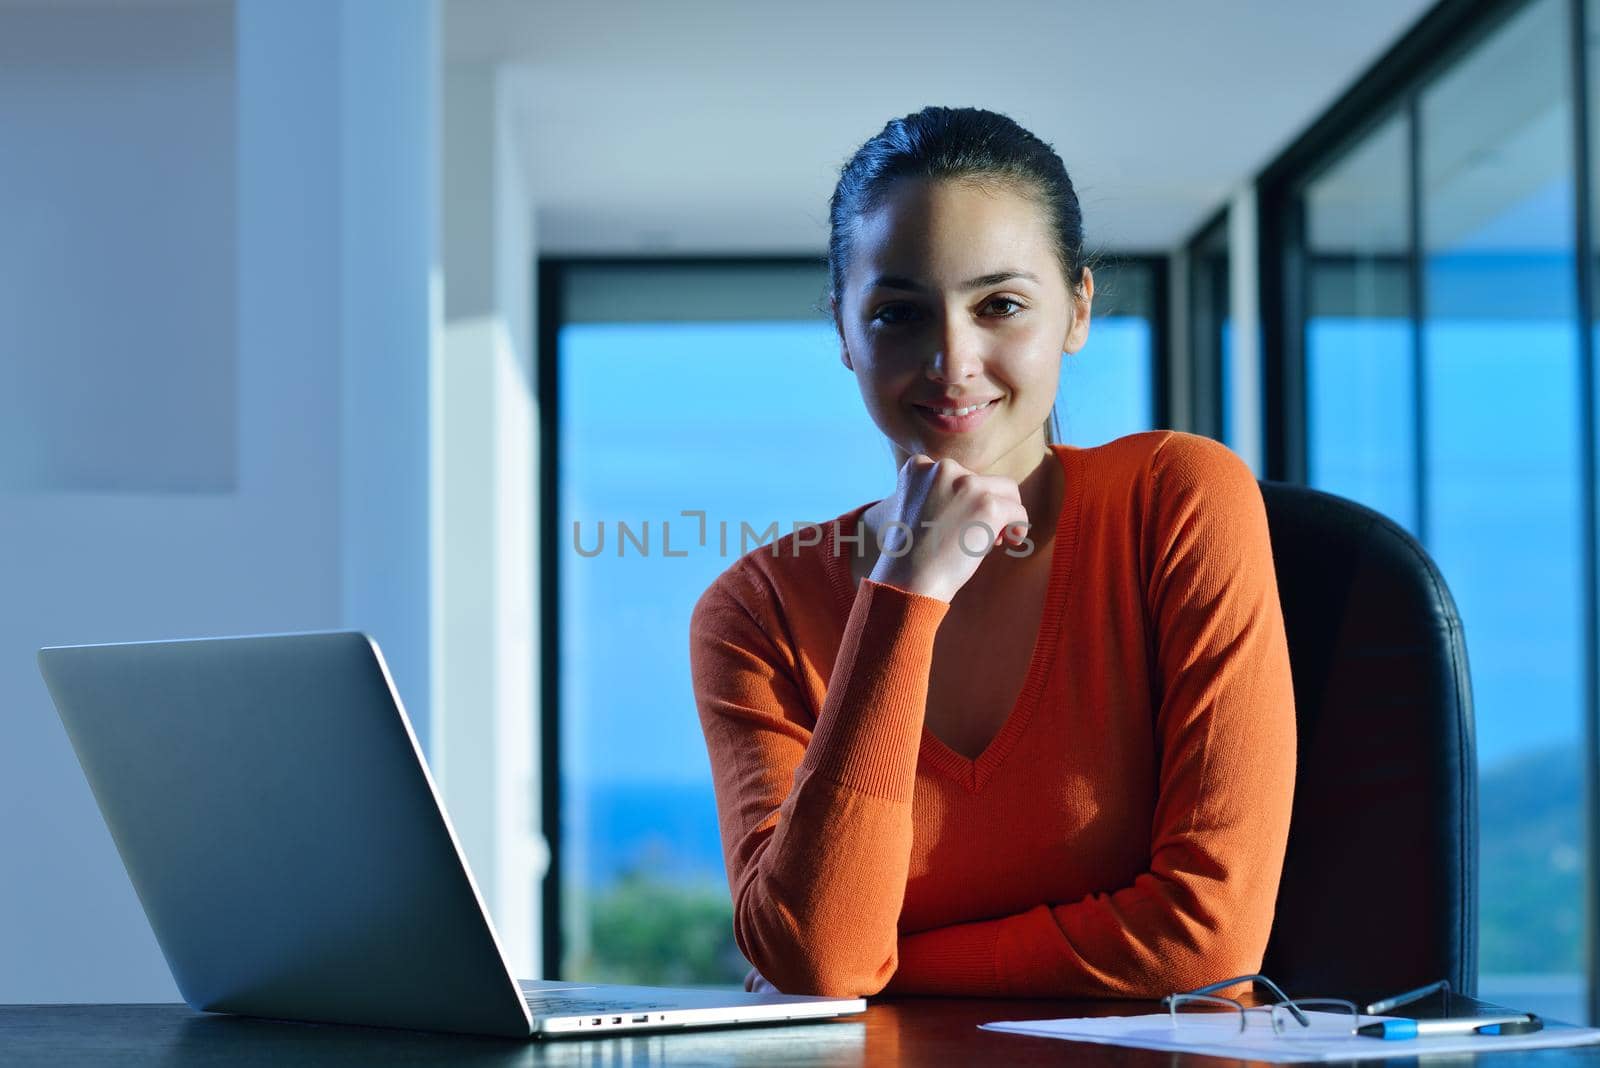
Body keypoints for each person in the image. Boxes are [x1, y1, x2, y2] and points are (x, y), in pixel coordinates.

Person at [687, 105, 1296, 1000]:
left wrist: (894, 972)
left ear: (1077, 311)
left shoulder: (1179, 499)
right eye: (898, 313)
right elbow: (820, 954)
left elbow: (1207, 943)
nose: (952, 360)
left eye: (1000, 305)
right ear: (845, 335)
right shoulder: (756, 612)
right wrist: (903, 587)